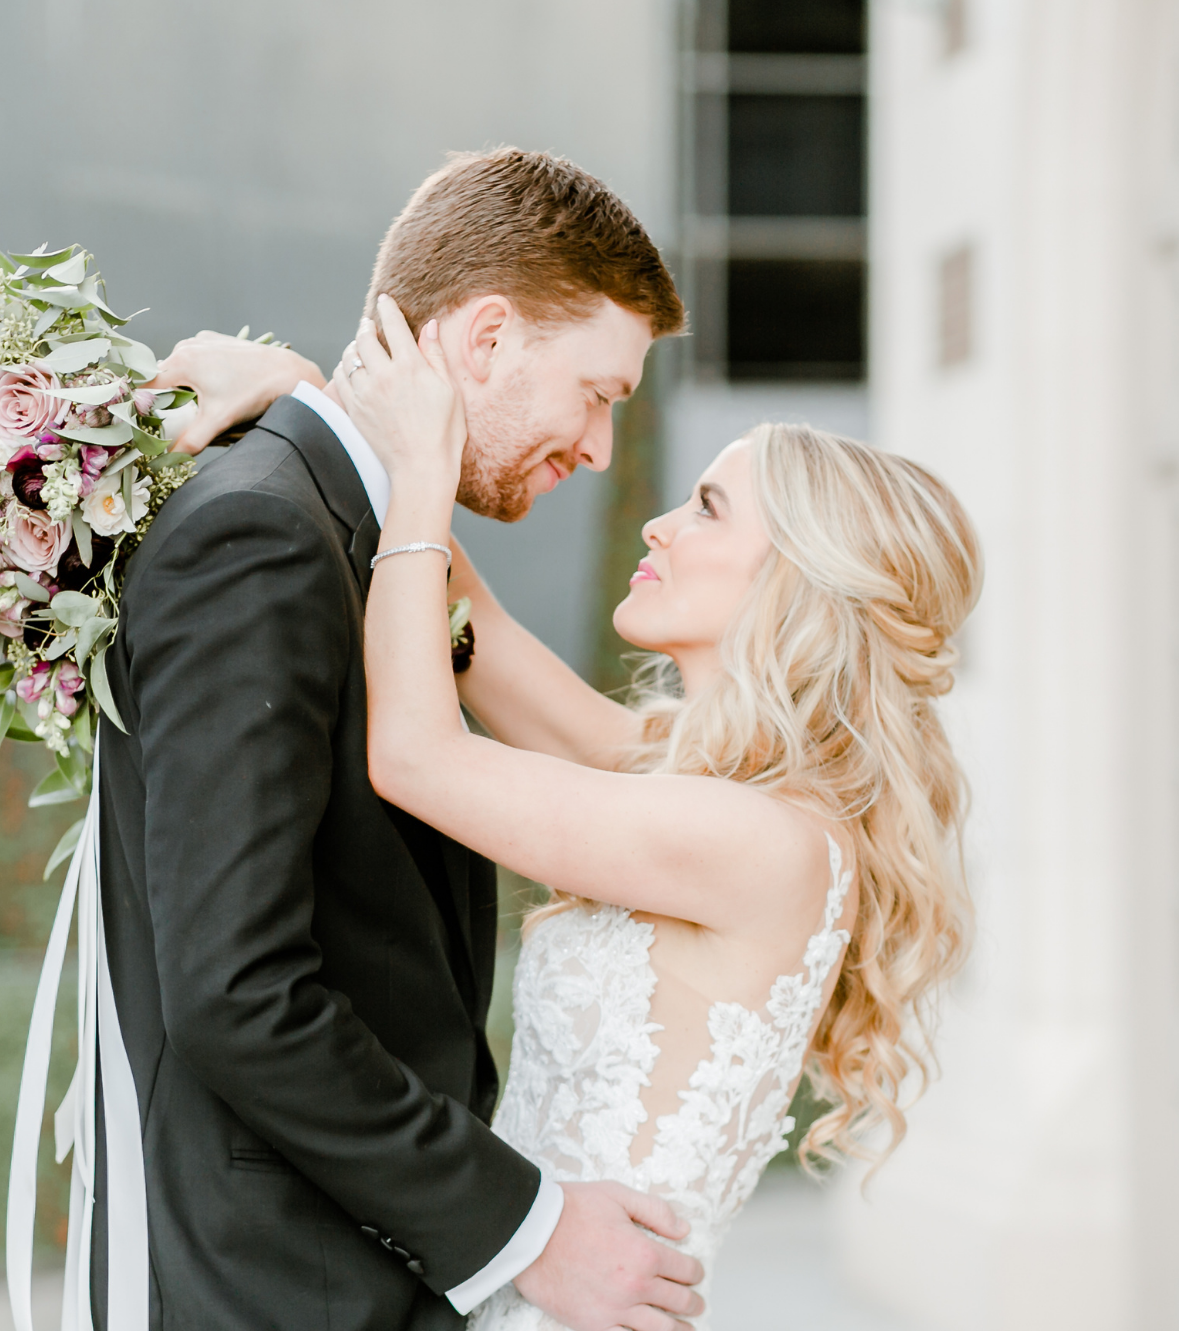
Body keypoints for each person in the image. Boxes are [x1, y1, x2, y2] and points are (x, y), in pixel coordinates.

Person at [182, 294, 983, 1329]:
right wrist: (309, 393)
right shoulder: (688, 785)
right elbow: (478, 628)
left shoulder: (760, 843)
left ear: (796, 584)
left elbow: (418, 758)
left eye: (707, 507)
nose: (658, 522)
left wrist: (427, 474)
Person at [95, 148, 702, 1331]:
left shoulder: (351, 530)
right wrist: (526, 1229)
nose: (598, 449)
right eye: (600, 394)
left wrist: (304, 386)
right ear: (484, 341)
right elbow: (234, 993)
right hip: (281, 1286)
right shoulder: (266, 539)